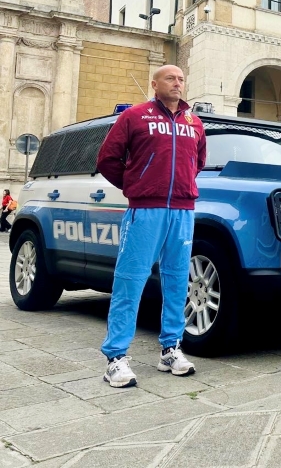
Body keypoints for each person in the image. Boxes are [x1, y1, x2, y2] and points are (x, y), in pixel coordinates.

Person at [96, 65, 206, 388]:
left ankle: (170, 349)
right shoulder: (134, 117)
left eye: (182, 78)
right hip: (145, 212)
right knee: (130, 281)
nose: (178, 83)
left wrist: (180, 187)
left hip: (182, 213)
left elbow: (197, 163)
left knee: (176, 282)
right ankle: (115, 357)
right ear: (154, 84)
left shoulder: (194, 123)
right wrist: (136, 186)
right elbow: (107, 159)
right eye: (171, 78)